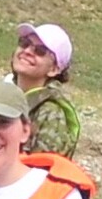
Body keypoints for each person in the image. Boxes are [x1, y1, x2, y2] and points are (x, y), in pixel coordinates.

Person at [13, 22, 84, 166]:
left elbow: (41, 173)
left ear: (54, 69)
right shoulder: (1, 93)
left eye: (40, 51)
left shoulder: (51, 114)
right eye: (24, 43)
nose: (27, 51)